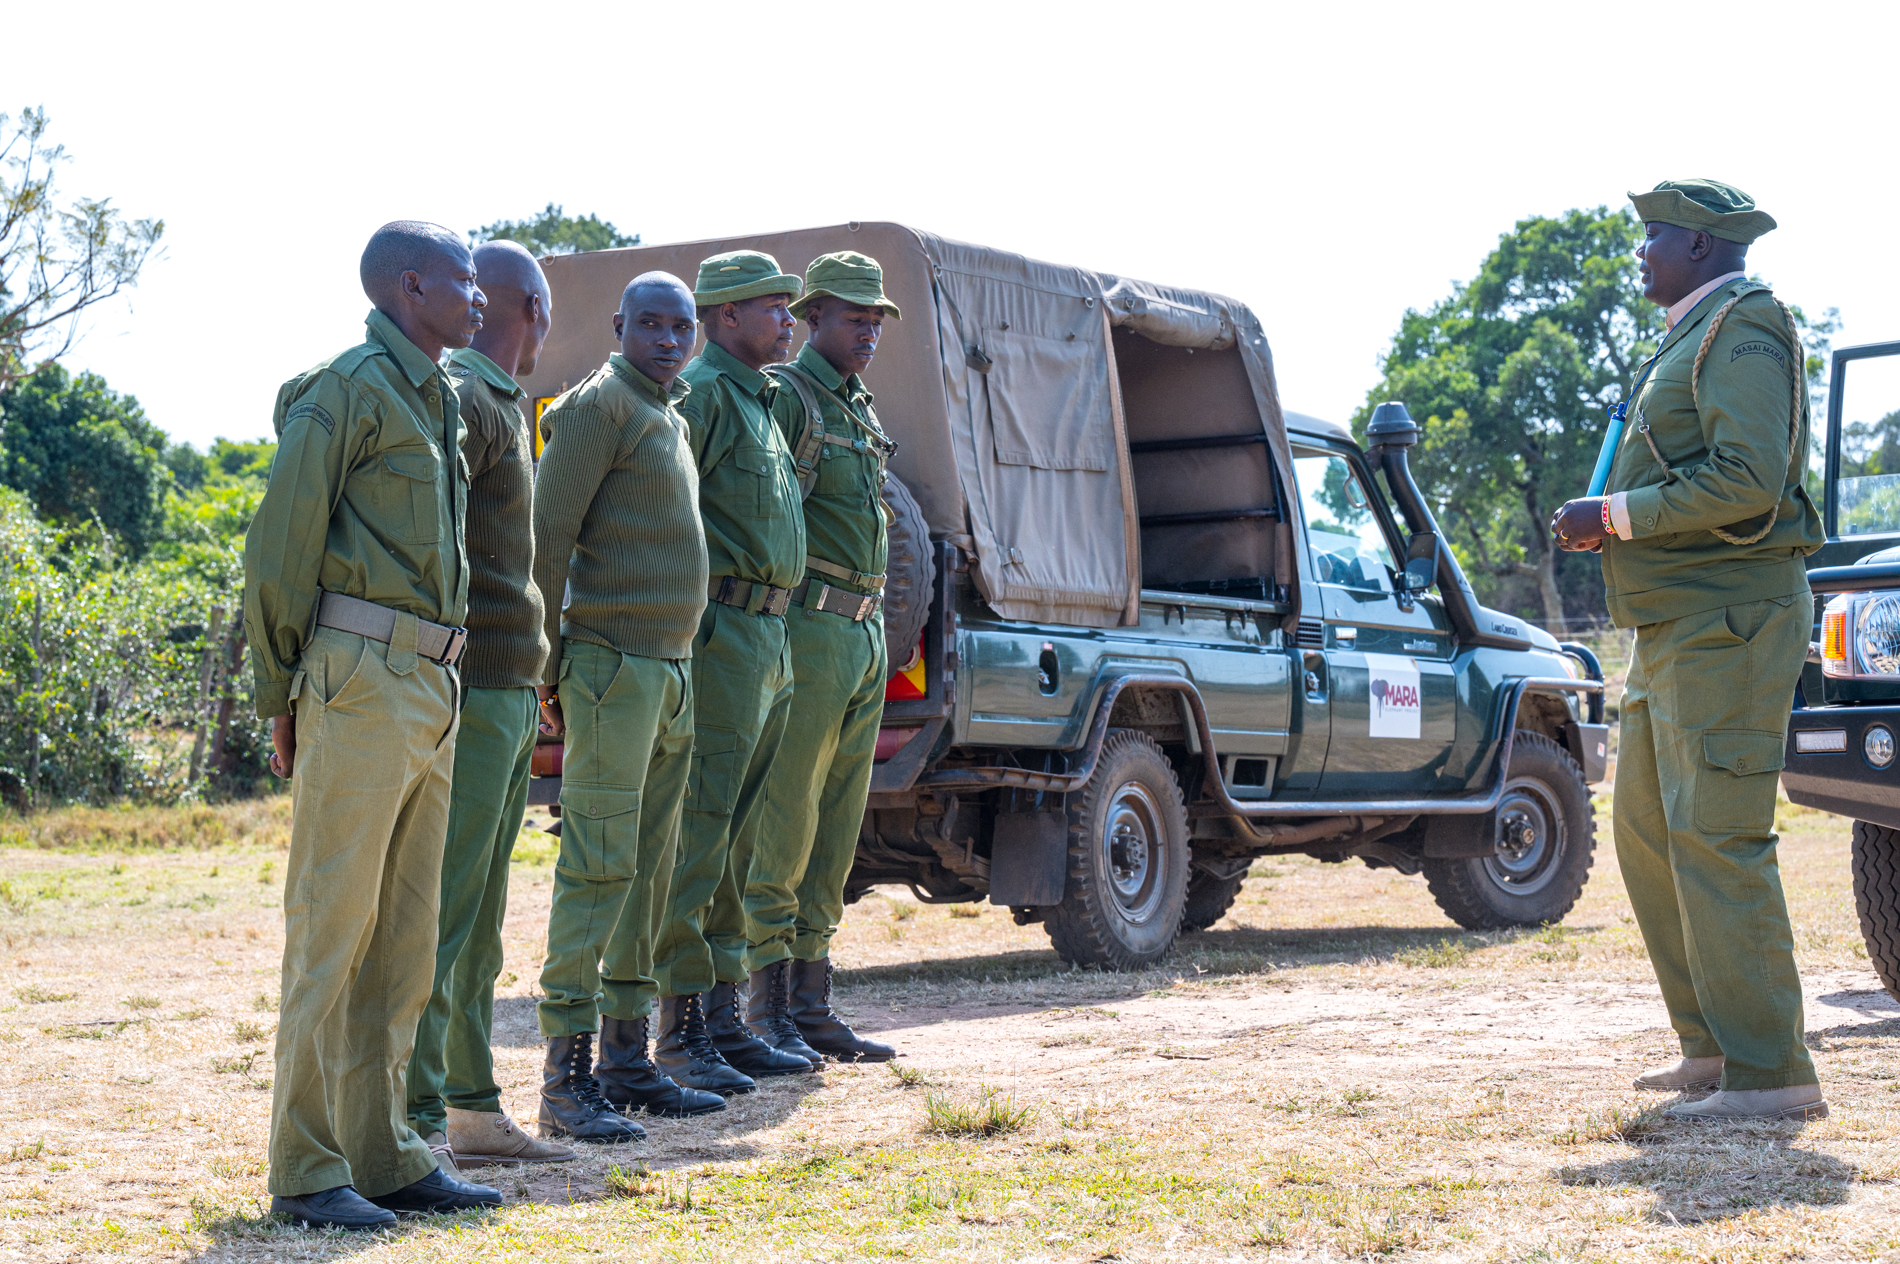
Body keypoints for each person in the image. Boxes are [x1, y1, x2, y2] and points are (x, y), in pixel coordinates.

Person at [1550, 179, 1827, 1121]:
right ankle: (1711, 1048)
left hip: (1729, 620)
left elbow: (1748, 479)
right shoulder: (1688, 331)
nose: (1641, 253)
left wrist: (1616, 515)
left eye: (1654, 236)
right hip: (1674, 625)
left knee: (1715, 835)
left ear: (1703, 247)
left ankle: (1772, 1072)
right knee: (1648, 835)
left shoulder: (1745, 327)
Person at [245, 221, 503, 1229]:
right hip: (357, 672)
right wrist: (279, 694)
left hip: (432, 678)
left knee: (401, 936)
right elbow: (279, 551)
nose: (477, 295)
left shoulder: (436, 395)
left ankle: (383, 1149)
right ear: (409, 286)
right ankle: (306, 1167)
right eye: (462, 279)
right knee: (331, 928)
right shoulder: (344, 387)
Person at [531, 272, 720, 1141]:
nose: (669, 338)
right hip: (610, 667)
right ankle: (565, 1085)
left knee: (651, 870)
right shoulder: (596, 407)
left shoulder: (669, 414)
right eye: (651, 324)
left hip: (672, 671)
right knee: (599, 865)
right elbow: (547, 538)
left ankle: (627, 1062)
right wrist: (547, 669)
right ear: (618, 327)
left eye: (681, 326)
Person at [404, 239, 575, 1171]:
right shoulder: (468, 395)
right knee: (448, 907)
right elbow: (431, 535)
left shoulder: (506, 402)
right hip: (469, 688)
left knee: (481, 919)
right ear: (535, 311)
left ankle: (469, 1104)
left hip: (510, 686)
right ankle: (417, 1116)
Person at [649, 251, 819, 1092]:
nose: (788, 320)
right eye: (770, 307)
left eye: (789, 308)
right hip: (722, 634)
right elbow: (674, 519)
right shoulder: (707, 397)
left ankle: (723, 1019)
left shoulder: (763, 401)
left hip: (773, 634)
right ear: (721, 319)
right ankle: (677, 1033)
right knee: (703, 830)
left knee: (742, 835)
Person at [745, 252, 900, 1062]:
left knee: (838, 824)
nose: (869, 328)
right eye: (853, 316)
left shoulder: (859, 407)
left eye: (877, 318)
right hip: (808, 625)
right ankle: (762, 1004)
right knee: (787, 816)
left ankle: (811, 1001)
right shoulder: (790, 400)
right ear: (812, 318)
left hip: (864, 630)